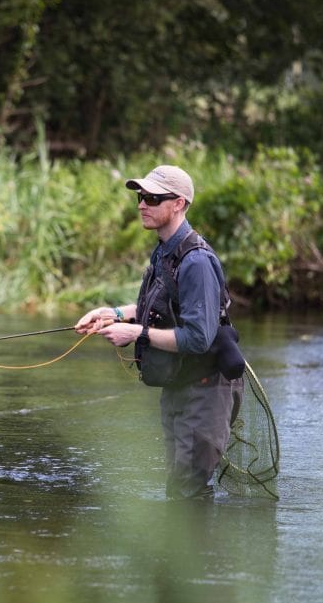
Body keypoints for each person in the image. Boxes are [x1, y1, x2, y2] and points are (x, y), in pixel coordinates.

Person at [75, 165, 243, 500]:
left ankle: (199, 553)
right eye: (140, 197)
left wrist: (136, 334)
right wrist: (113, 314)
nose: (141, 205)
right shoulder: (165, 250)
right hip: (179, 385)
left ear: (179, 203)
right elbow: (160, 304)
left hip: (206, 389)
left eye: (152, 198)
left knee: (187, 493)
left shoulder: (196, 261)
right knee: (178, 490)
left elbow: (198, 338)